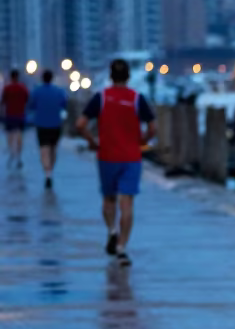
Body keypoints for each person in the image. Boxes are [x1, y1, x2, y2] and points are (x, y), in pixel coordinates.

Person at [76, 58, 156, 267]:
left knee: (108, 198)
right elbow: (153, 127)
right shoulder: (137, 98)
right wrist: (143, 141)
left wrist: (92, 141)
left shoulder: (101, 98)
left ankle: (112, 230)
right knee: (127, 203)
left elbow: (80, 124)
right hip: (131, 158)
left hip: (107, 156)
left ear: (111, 76)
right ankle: (122, 248)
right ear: (128, 76)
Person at [28, 69, 68, 189]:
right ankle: (51, 169)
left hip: (41, 124)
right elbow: (64, 104)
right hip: (56, 124)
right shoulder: (59, 91)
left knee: (44, 149)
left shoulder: (36, 91)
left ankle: (47, 173)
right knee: (53, 149)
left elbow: (31, 105)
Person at [2, 69, 29, 166]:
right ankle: (18, 156)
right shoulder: (23, 88)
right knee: (19, 136)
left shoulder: (7, 88)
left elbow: (3, 101)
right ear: (18, 76)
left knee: (10, 136)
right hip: (20, 115)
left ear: (11, 77)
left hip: (10, 115)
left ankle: (12, 152)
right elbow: (27, 100)